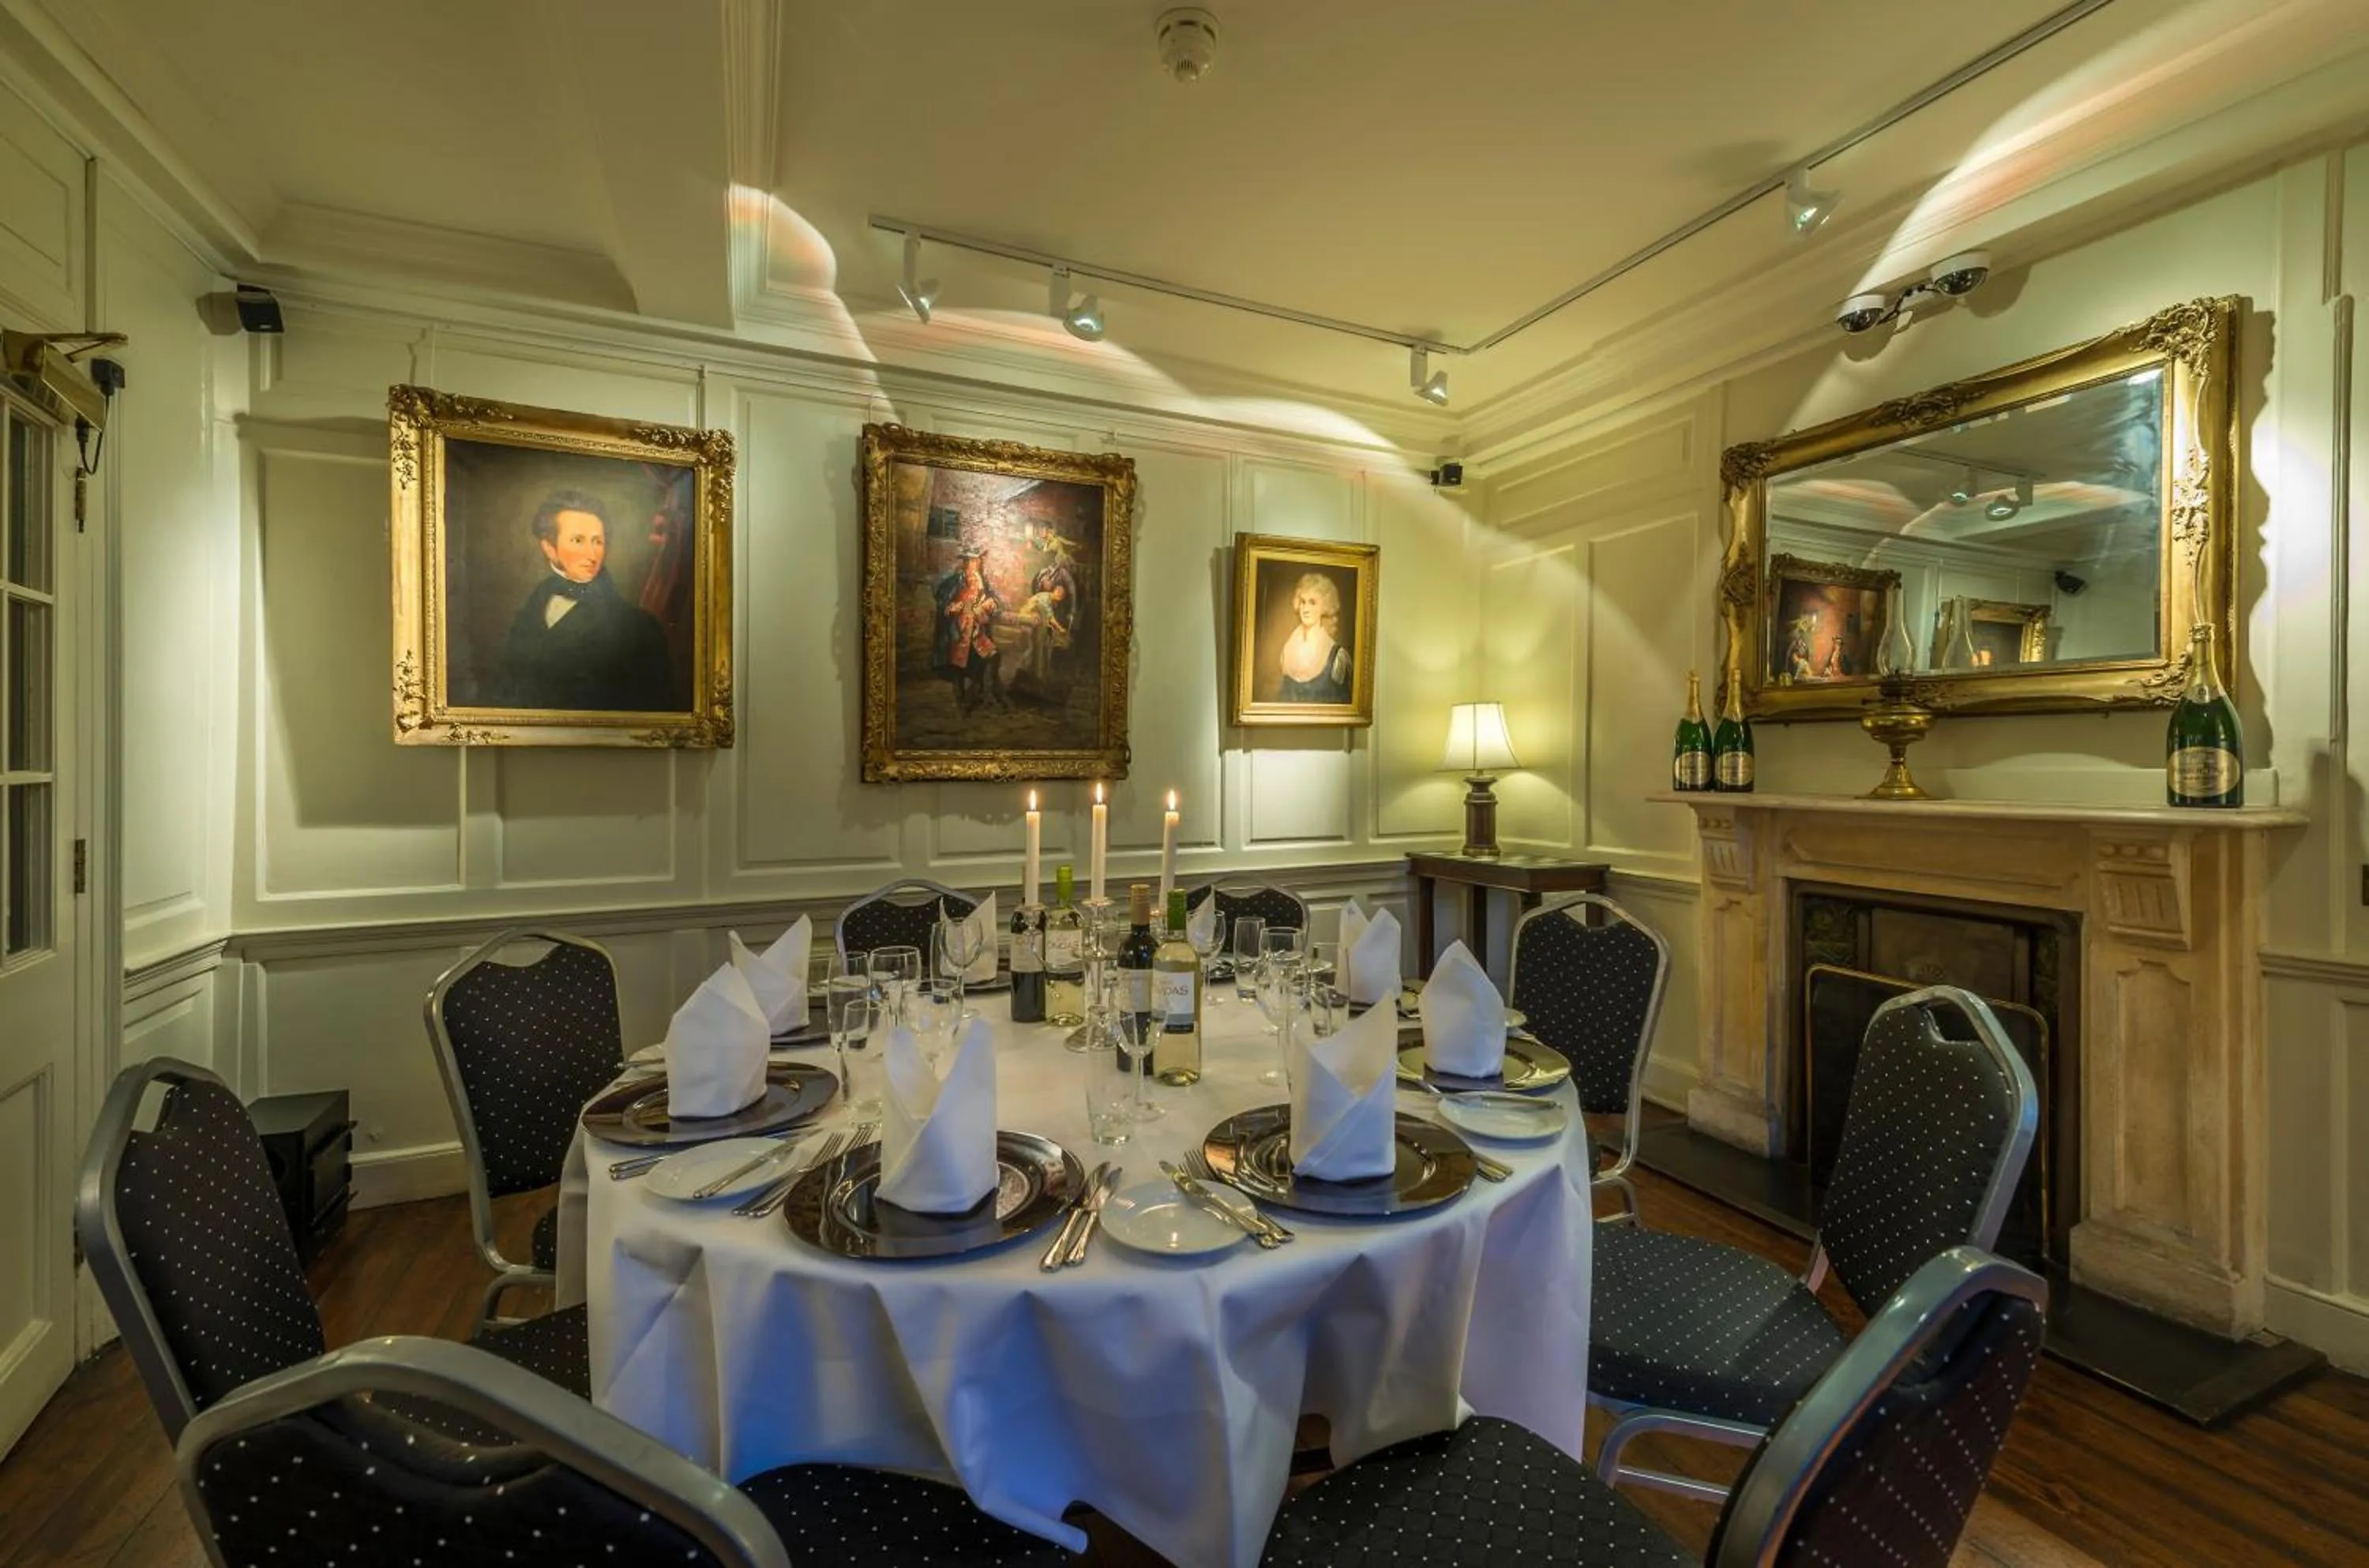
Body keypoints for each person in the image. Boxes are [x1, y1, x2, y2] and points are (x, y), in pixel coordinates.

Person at [489, 489, 674, 712]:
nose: (592, 554)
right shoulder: (534, 604)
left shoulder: (639, 627)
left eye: (598, 542)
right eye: (578, 540)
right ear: (549, 548)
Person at [934, 546, 1004, 713]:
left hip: (978, 628)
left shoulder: (982, 580)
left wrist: (991, 604)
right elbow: (942, 599)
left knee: (990, 657)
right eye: (970, 560)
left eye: (975, 560)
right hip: (960, 628)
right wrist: (955, 606)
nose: (973, 564)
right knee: (958, 665)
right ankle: (961, 701)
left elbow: (995, 600)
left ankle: (983, 694)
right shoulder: (955, 580)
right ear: (965, 562)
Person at [1275, 570, 1352, 703]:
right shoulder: (1287, 651)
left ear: (1325, 607)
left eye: (1312, 602)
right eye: (1303, 602)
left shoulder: (1337, 657)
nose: (1305, 609)